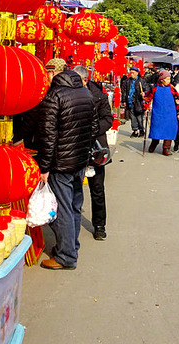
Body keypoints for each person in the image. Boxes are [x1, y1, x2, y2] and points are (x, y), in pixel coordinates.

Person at [35, 67, 98, 270]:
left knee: (62, 208)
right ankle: (72, 246)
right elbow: (94, 128)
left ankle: (66, 256)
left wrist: (44, 167)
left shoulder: (54, 97)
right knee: (73, 205)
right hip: (79, 160)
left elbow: (48, 136)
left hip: (61, 163)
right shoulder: (86, 93)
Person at [74, 66, 114, 241]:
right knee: (73, 189)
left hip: (96, 147)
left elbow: (108, 119)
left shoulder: (100, 95)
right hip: (74, 147)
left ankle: (99, 225)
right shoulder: (69, 94)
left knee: (97, 188)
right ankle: (72, 224)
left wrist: (94, 129)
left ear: (85, 80)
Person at [144, 70, 179, 155]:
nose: (169, 81)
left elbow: (178, 101)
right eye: (167, 79)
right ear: (162, 79)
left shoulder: (172, 89)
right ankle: (154, 144)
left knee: (169, 131)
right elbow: (147, 98)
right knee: (156, 130)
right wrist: (146, 107)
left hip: (170, 114)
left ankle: (166, 148)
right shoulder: (154, 88)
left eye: (169, 79)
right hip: (158, 113)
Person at [120, 67, 147, 138]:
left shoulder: (141, 81)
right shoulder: (127, 81)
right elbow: (124, 91)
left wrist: (144, 93)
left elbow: (147, 89)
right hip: (130, 102)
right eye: (131, 73)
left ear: (137, 73)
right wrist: (123, 100)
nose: (132, 74)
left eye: (133, 73)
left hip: (139, 102)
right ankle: (135, 131)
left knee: (139, 117)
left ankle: (141, 130)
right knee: (133, 117)